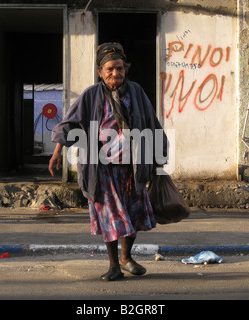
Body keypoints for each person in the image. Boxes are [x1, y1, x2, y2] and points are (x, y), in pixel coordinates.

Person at [49, 42, 168, 281]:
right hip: (102, 169)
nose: (116, 73)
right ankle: (114, 264)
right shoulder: (91, 95)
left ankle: (126, 259)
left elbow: (152, 125)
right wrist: (57, 152)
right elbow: (69, 124)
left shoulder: (136, 92)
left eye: (120, 68)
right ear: (100, 71)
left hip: (133, 167)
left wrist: (159, 159)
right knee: (111, 217)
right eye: (110, 69)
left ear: (126, 69)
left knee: (134, 215)